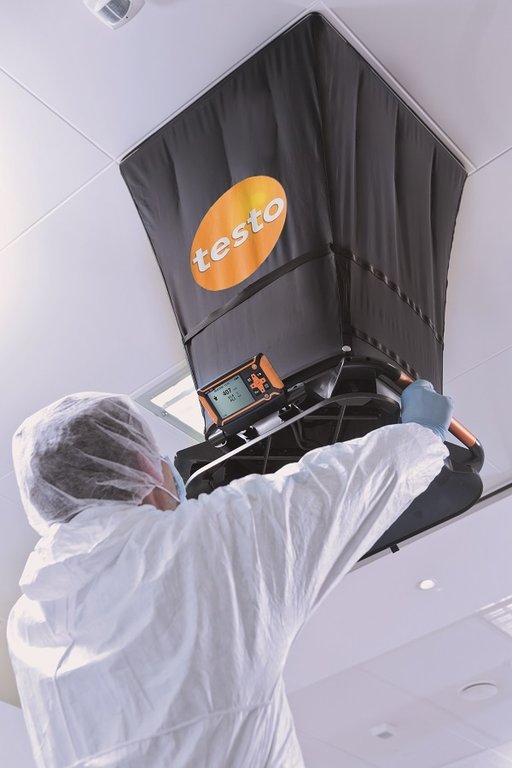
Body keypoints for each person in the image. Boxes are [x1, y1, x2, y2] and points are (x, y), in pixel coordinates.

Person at [7, 380, 452, 768]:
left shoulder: (29, 620)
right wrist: (420, 435)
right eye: (160, 457)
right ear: (145, 466)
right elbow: (336, 488)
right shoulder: (203, 540)